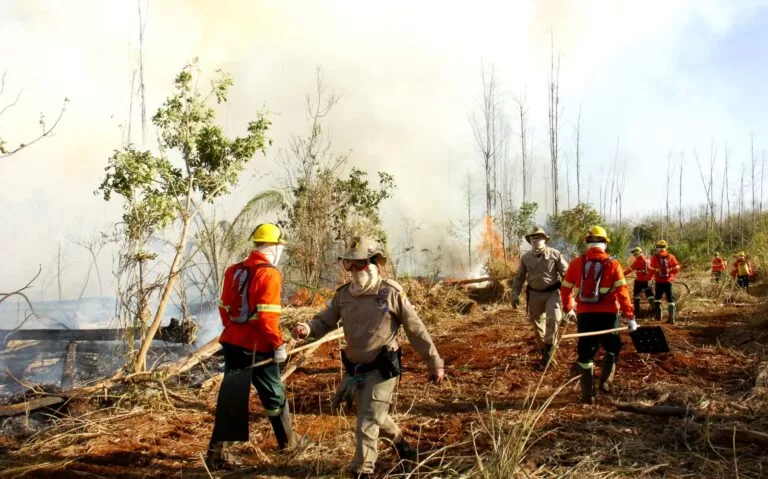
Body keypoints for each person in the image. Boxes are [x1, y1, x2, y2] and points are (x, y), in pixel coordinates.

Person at [292, 236, 444, 478]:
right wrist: (307, 328)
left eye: (359, 263)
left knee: (366, 423)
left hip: (382, 369)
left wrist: (434, 362)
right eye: (348, 263)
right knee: (375, 417)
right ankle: (402, 445)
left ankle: (362, 471)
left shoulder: (390, 292)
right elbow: (324, 321)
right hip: (355, 370)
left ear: (374, 263)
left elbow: (416, 329)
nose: (353, 270)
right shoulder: (343, 295)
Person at [206, 223, 297, 469]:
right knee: (274, 394)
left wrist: (236, 330)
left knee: (232, 397)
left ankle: (217, 455)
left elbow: (224, 309)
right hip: (258, 347)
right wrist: (278, 345)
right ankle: (289, 445)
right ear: (274, 247)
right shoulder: (270, 274)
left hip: (231, 343)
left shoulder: (233, 270)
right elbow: (268, 318)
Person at [560, 226, 636, 404]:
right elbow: (623, 293)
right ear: (605, 244)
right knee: (613, 348)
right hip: (608, 315)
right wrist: (630, 316)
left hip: (585, 316)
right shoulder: (613, 264)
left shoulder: (576, 263)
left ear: (587, 243)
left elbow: (565, 289)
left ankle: (588, 395)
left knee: (585, 354)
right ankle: (606, 383)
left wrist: (568, 309)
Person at [510, 226, 569, 368]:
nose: (536, 240)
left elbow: (567, 274)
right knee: (537, 326)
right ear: (530, 240)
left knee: (554, 320)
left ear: (545, 239)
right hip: (534, 294)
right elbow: (519, 277)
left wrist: (570, 295)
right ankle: (545, 352)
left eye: (539, 237)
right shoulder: (526, 258)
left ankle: (549, 350)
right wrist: (515, 294)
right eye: (533, 237)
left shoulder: (555, 254)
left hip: (552, 293)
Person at [647, 240, 682, 324]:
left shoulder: (654, 257)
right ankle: (671, 319)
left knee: (657, 298)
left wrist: (649, 278)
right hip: (668, 282)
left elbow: (651, 270)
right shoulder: (671, 256)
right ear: (666, 247)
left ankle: (658, 317)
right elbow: (677, 269)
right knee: (670, 300)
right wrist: (671, 275)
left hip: (658, 282)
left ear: (657, 248)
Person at [624, 246, 654, 316]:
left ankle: (637, 311)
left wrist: (621, 275)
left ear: (639, 253)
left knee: (636, 295)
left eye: (635, 254)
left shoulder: (638, 261)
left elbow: (629, 270)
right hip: (648, 280)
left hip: (639, 281)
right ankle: (654, 309)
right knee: (650, 295)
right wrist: (652, 279)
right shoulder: (648, 260)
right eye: (634, 254)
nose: (634, 256)